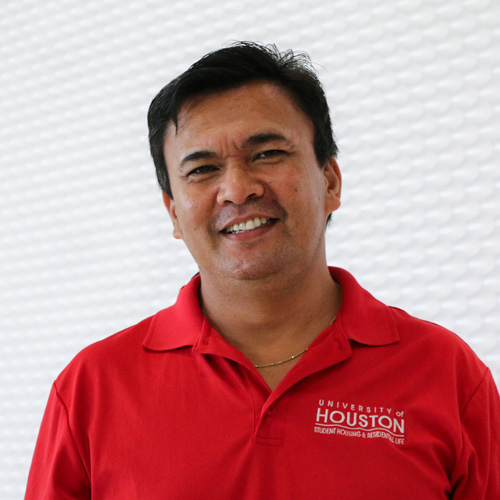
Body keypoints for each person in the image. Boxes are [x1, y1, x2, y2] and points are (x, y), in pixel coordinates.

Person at [25, 42, 499, 499]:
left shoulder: (446, 374)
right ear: (173, 213)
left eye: (267, 154)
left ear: (330, 181)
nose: (236, 189)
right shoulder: (92, 388)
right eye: (202, 169)